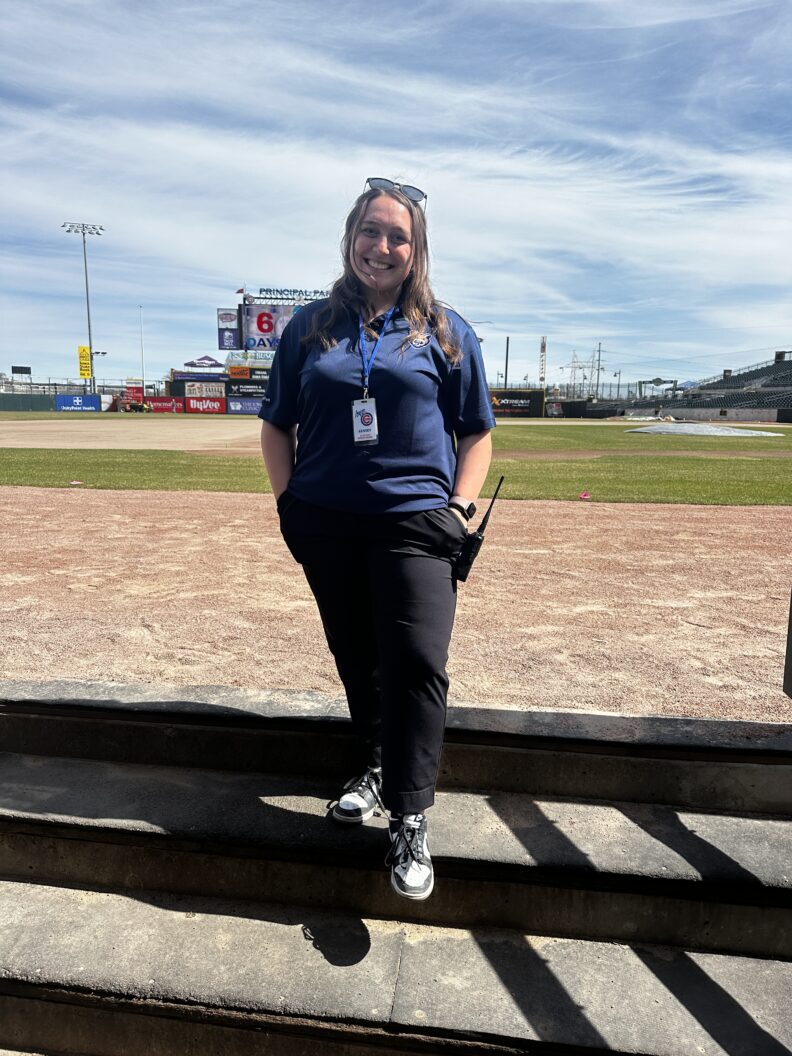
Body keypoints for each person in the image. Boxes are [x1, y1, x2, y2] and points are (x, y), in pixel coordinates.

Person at [259, 177, 495, 900]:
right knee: (356, 654)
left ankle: (410, 816)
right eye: (371, 231)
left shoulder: (447, 330)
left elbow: (477, 431)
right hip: (325, 520)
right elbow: (276, 422)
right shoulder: (309, 327)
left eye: (398, 236)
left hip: (416, 523)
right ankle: (374, 764)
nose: (382, 246)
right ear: (350, 238)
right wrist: (289, 504)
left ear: (416, 250)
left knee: (417, 661)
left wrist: (459, 508)